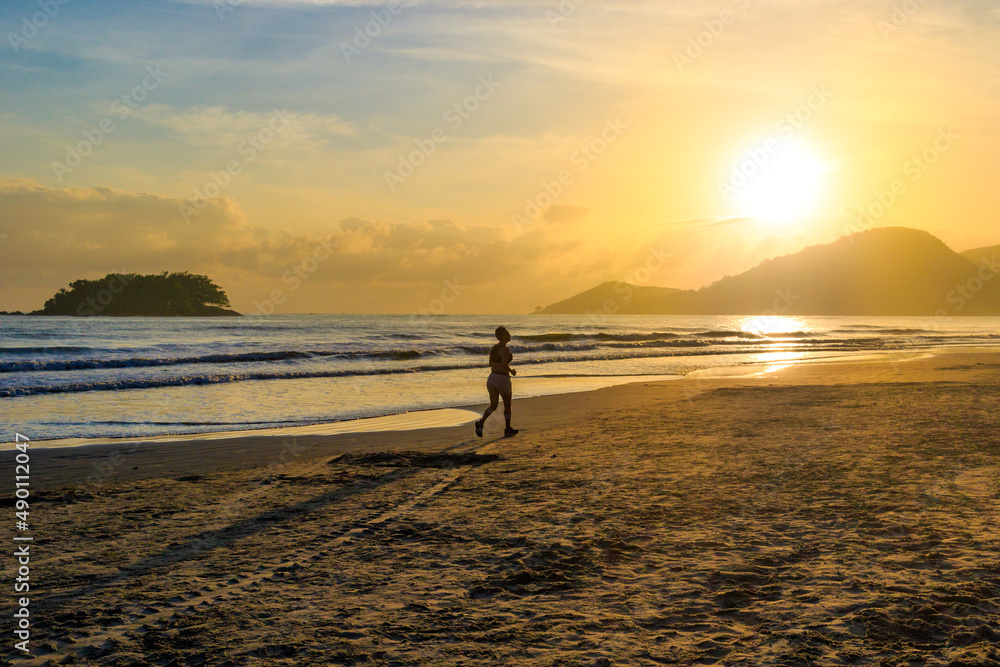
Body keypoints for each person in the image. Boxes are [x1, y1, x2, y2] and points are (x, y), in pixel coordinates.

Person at [475, 326, 518, 438]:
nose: (509, 334)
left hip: (492, 378)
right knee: (507, 405)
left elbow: (490, 364)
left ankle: (481, 422)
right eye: (507, 333)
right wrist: (511, 371)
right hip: (502, 379)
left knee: (493, 405)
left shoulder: (493, 348)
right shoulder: (505, 349)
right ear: (503, 336)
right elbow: (504, 364)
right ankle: (508, 429)